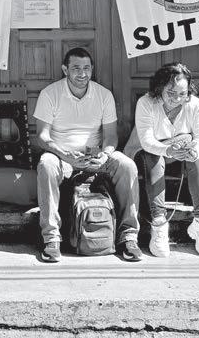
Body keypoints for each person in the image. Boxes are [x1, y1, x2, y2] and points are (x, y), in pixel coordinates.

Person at [34, 47, 142, 263]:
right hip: (63, 158)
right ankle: (51, 238)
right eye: (76, 68)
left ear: (92, 69)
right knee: (46, 163)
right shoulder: (50, 94)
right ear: (65, 69)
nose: (82, 74)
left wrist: (105, 155)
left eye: (86, 68)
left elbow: (111, 137)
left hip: (96, 157)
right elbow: (42, 136)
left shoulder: (103, 95)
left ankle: (129, 236)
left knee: (127, 165)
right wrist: (64, 155)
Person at [123, 62, 199, 258]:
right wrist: (168, 150)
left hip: (177, 153)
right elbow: (147, 142)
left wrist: (194, 152)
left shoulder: (194, 105)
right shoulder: (146, 103)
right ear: (160, 88)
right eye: (171, 93)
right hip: (145, 153)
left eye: (182, 93)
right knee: (153, 157)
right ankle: (159, 223)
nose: (177, 98)